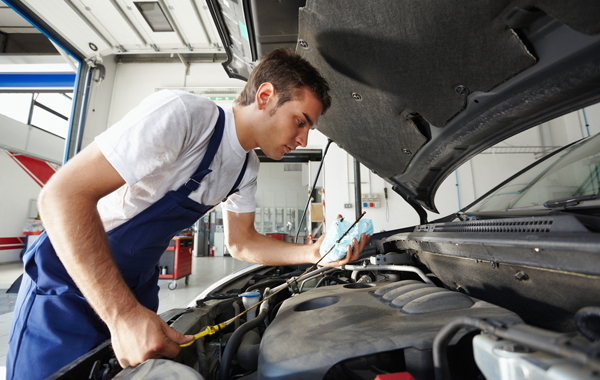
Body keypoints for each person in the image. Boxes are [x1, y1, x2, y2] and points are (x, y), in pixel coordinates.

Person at [7, 48, 370, 380]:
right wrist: (122, 315)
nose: (303, 139)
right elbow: (61, 195)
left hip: (136, 286)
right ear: (265, 97)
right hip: (71, 283)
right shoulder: (184, 116)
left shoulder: (247, 168)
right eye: (301, 121)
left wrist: (314, 253)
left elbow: (241, 242)